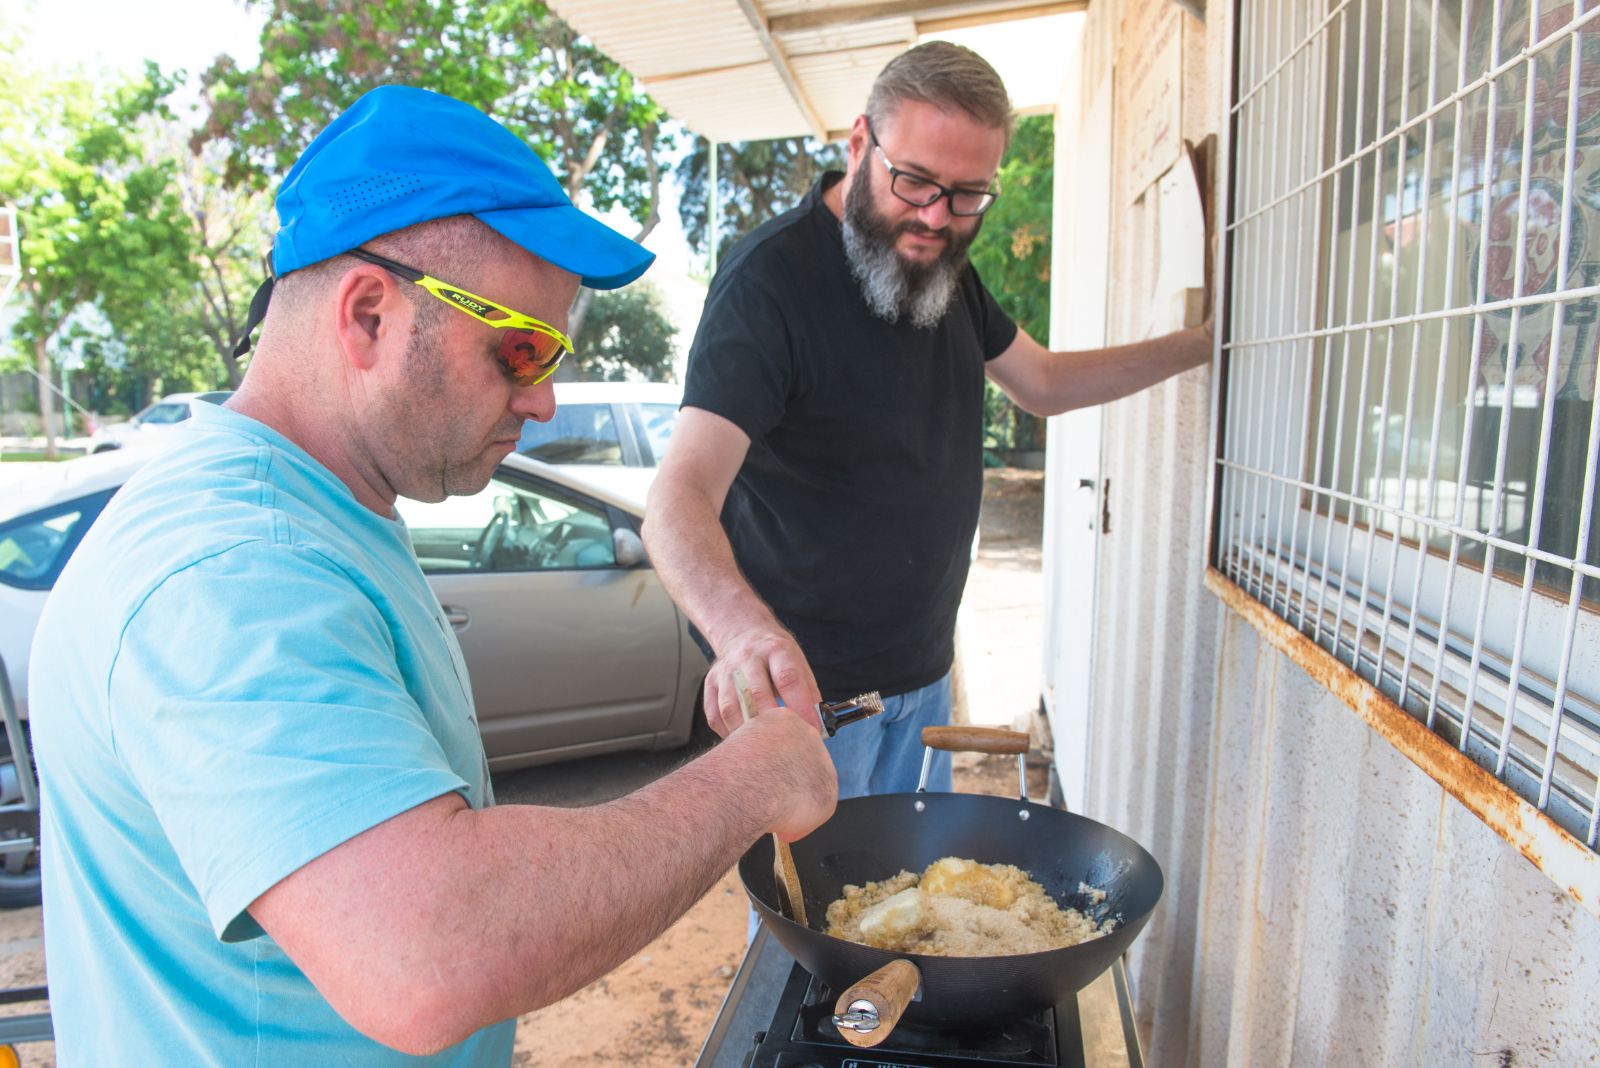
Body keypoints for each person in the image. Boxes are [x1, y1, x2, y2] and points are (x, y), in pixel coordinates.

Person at [29, 85, 836, 1066]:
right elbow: (421, 953)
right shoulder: (230, 569)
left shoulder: (328, 512)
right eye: (518, 349)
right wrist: (751, 779)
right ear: (368, 314)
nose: (542, 401)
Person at [643, 42, 1212, 799]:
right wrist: (744, 634)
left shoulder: (946, 265)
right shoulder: (769, 283)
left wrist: (1202, 346)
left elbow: (1040, 382)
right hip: (812, 700)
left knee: (915, 906)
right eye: (913, 182)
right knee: (812, 917)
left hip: (925, 674)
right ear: (858, 144)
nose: (936, 217)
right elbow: (678, 500)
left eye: (968, 194)